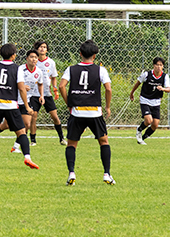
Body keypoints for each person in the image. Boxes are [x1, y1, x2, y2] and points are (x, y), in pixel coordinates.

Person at [59, 39, 113, 186]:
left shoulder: (71, 69)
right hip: (95, 112)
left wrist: (69, 104)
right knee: (104, 142)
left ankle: (71, 172)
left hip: (77, 113)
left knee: (72, 144)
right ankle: (107, 174)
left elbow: (61, 86)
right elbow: (108, 89)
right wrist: (107, 107)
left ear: (80, 54)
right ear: (94, 56)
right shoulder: (100, 70)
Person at [0, 43, 40, 170]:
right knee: (21, 133)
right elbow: (21, 88)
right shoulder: (17, 68)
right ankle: (27, 157)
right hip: (11, 105)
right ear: (13, 56)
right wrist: (27, 106)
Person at [2, 49, 44, 153]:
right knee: (6, 125)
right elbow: (10, 82)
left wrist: (41, 95)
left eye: (35, 57)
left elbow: (40, 83)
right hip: (14, 100)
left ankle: (15, 147)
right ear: (27, 59)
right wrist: (22, 86)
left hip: (26, 101)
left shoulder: (38, 72)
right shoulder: (20, 69)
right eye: (31, 57)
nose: (33, 59)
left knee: (27, 124)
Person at [129, 56, 170, 145]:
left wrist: (162, 89)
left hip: (156, 102)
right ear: (153, 65)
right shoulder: (147, 74)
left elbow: (168, 89)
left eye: (161, 65)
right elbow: (138, 83)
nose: (158, 67)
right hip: (145, 100)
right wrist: (132, 93)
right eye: (157, 65)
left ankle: (142, 139)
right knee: (148, 121)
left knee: (155, 124)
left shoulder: (165, 76)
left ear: (163, 66)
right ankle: (139, 129)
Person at [33, 40, 66, 146]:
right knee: (33, 116)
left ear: (47, 50)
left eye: (44, 47)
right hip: (35, 93)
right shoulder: (33, 61)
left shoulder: (51, 62)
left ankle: (62, 138)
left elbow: (53, 77)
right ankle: (33, 140)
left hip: (47, 93)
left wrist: (55, 88)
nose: (42, 49)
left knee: (54, 116)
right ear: (37, 49)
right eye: (40, 47)